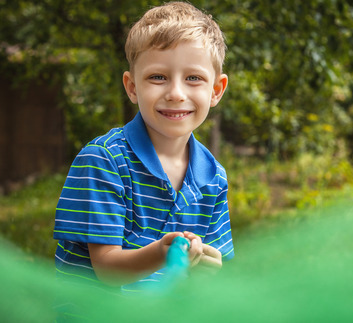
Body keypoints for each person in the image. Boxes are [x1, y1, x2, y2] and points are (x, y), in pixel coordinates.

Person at [53, 1, 234, 292]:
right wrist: (161, 254)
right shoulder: (102, 160)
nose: (176, 93)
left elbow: (210, 263)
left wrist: (207, 266)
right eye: (157, 77)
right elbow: (107, 269)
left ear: (215, 91)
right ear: (132, 87)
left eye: (193, 79)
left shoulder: (214, 177)